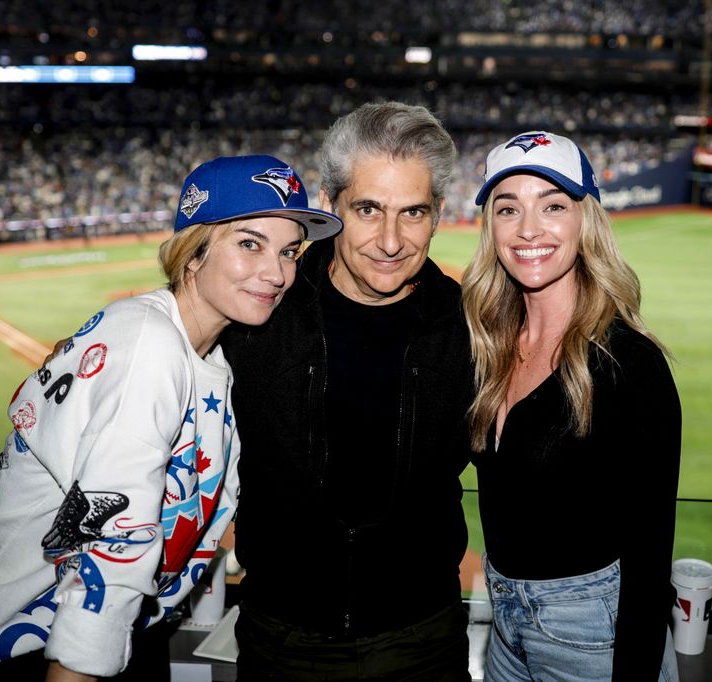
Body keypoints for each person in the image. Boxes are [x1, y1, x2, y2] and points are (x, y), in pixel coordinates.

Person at [0, 155, 342, 681]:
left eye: (289, 251)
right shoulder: (148, 344)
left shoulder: (211, 356)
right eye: (249, 243)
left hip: (114, 633)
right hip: (22, 650)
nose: (278, 272)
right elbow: (111, 548)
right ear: (193, 252)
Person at [220, 102, 475, 681]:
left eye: (413, 212)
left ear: (438, 214)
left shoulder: (470, 329)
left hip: (423, 640)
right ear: (330, 206)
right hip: (280, 638)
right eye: (368, 209)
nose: (391, 240)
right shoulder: (259, 313)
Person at [461, 131, 681, 681]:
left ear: (586, 220)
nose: (529, 229)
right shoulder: (487, 340)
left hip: (593, 631)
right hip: (503, 619)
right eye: (508, 208)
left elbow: (651, 549)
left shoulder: (629, 362)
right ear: (491, 226)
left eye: (553, 205)